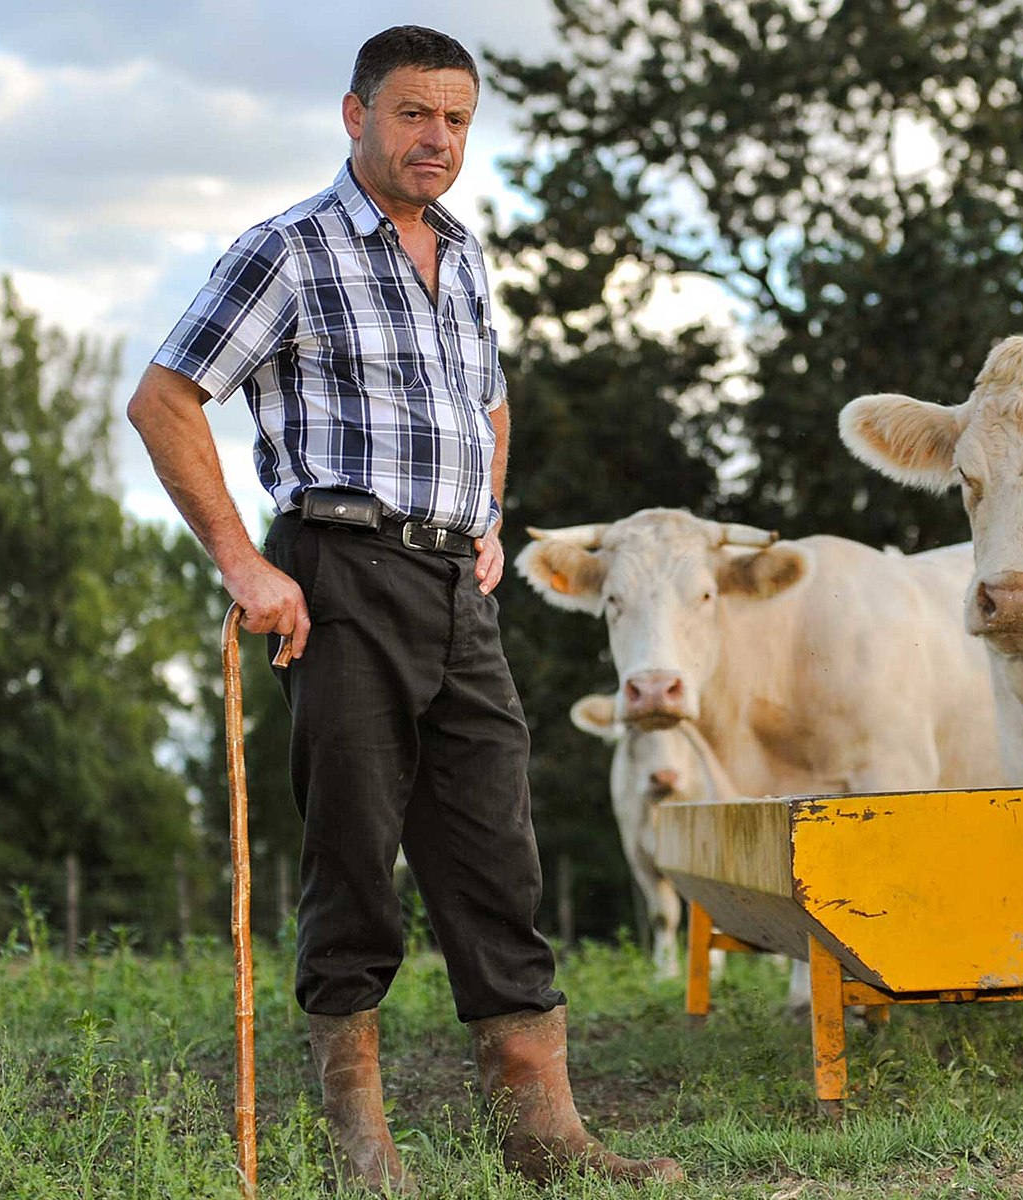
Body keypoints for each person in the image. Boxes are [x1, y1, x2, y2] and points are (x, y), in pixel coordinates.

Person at [126, 25, 682, 1192]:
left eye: (458, 121)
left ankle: (546, 1138)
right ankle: (360, 1151)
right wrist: (245, 565)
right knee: (354, 852)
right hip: (337, 578)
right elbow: (165, 398)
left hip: (452, 586)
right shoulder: (289, 249)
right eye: (415, 114)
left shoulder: (468, 256)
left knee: (497, 848)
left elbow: (488, 400)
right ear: (354, 116)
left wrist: (487, 516)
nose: (439, 140)